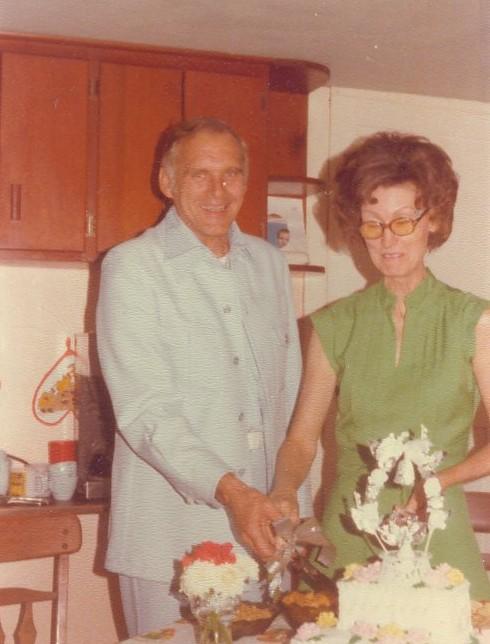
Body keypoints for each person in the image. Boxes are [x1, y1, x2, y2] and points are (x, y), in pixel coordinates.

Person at [96, 117, 311, 636]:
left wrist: (288, 497)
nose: (218, 191)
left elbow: (289, 400)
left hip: (269, 538)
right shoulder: (133, 266)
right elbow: (146, 413)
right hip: (170, 541)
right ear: (167, 182)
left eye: (231, 174)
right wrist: (236, 495)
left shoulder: (270, 264)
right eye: (200, 175)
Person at [262, 131, 490, 599]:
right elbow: (301, 441)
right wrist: (284, 488)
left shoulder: (474, 322)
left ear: (434, 220)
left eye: (403, 222)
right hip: (348, 537)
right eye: (372, 224)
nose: (387, 240)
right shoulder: (333, 325)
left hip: (437, 530)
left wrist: (437, 483)